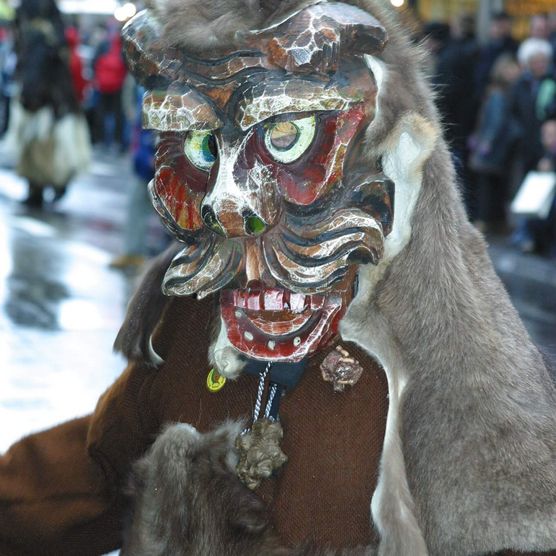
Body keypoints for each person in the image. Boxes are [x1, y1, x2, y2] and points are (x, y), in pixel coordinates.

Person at [1, 2, 556, 555]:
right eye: (203, 145)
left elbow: (515, 521)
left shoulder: (438, 364)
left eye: (286, 136)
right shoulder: (191, 318)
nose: (229, 204)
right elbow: (96, 473)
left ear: (385, 150)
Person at [4, 0, 90, 207]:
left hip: (43, 100)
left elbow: (35, 68)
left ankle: (41, 188)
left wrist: (29, 97)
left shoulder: (36, 35)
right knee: (42, 145)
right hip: (55, 99)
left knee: (40, 144)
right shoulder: (52, 32)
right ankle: (40, 188)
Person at [469, 55, 521, 232]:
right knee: (491, 185)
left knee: (489, 185)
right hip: (497, 147)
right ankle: (491, 220)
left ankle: (486, 220)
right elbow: (495, 120)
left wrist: (486, 141)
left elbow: (495, 121)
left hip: (494, 147)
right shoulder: (501, 93)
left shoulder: (500, 93)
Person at [92, 29, 127, 152]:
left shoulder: (103, 45)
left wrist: (96, 78)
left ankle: (100, 140)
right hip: (118, 86)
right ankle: (116, 143)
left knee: (101, 113)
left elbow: (94, 62)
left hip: (102, 85)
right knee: (118, 115)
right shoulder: (124, 47)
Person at [474, 11, 519, 102]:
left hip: (508, 92)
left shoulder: (513, 47)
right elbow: (480, 74)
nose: (499, 30)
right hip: (489, 92)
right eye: (497, 26)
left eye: (502, 26)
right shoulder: (486, 48)